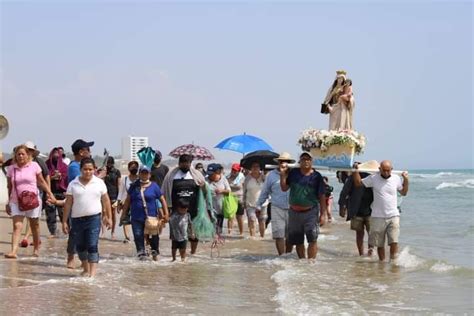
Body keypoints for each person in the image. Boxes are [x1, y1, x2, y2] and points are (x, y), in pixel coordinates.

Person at [62, 158, 112, 277]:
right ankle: (86, 268)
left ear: (94, 169)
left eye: (90, 169)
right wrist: (64, 221)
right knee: (80, 247)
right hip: (77, 219)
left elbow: (106, 200)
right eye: (85, 169)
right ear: (80, 170)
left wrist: (108, 217)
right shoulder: (73, 184)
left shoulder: (99, 183)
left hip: (94, 219)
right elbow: (68, 203)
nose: (88, 172)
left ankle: (92, 275)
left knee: (92, 245)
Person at [5, 144, 56, 259]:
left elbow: (42, 182)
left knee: (35, 225)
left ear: (28, 155)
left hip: (32, 200)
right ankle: (13, 251)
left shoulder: (34, 166)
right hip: (16, 200)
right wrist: (8, 202)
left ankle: (36, 248)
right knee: (17, 226)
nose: (21, 156)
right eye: (18, 154)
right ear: (15, 156)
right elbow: (9, 186)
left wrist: (50, 193)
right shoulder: (11, 169)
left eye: (23, 154)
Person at [353, 160, 409, 262]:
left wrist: (406, 180)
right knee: (379, 243)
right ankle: (382, 263)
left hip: (393, 215)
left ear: (391, 169)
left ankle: (393, 262)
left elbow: (404, 192)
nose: (386, 173)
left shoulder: (396, 178)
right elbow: (358, 184)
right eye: (384, 171)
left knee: (394, 241)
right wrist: (356, 171)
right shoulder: (374, 178)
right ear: (379, 169)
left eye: (388, 171)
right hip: (377, 216)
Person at [280, 152, 327, 260]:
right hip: (294, 212)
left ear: (311, 161)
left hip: (310, 212)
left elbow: (322, 196)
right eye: (303, 159)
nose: (306, 161)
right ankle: (302, 262)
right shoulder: (293, 173)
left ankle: (310, 263)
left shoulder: (316, 176)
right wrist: (282, 174)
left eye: (308, 159)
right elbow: (284, 188)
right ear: (299, 161)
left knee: (312, 239)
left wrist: (323, 214)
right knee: (298, 240)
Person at [162, 154, 210, 255]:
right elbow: (164, 191)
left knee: (193, 233)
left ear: (190, 164)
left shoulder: (196, 174)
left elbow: (205, 191)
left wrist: (203, 186)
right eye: (183, 164)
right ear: (179, 163)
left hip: (193, 208)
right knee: (177, 232)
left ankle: (193, 252)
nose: (185, 166)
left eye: (187, 164)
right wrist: (166, 209)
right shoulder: (171, 175)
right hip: (176, 209)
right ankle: (179, 255)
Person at [122, 165, 169, 261]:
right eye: (142, 173)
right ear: (139, 174)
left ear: (149, 174)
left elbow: (162, 200)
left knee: (153, 239)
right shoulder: (134, 186)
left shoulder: (154, 186)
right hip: (136, 218)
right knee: (138, 237)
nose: (144, 175)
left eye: (146, 173)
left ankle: (155, 257)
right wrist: (123, 214)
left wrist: (166, 213)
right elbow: (127, 200)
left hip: (151, 218)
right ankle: (142, 261)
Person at [256, 152, 294, 255]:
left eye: (286, 161)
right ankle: (282, 256)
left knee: (290, 236)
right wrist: (258, 205)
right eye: (281, 161)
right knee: (279, 234)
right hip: (277, 207)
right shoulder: (271, 175)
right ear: (278, 162)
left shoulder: (294, 173)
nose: (283, 163)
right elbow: (265, 191)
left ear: (290, 163)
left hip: (292, 208)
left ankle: (288, 254)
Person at [66, 138, 95, 268]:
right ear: (81, 152)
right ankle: (71, 257)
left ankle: (85, 260)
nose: (90, 151)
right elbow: (79, 182)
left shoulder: (81, 166)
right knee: (75, 233)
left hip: (87, 205)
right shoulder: (74, 167)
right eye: (88, 149)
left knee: (86, 234)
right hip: (76, 204)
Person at [339, 171, 374, 256]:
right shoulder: (351, 179)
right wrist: (342, 207)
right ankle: (361, 254)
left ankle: (370, 252)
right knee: (360, 234)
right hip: (356, 211)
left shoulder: (370, 177)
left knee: (371, 234)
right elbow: (344, 193)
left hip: (371, 211)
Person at [45, 147, 69, 237]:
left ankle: (66, 231)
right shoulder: (46, 165)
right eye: (54, 153)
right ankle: (53, 232)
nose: (56, 155)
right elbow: (43, 178)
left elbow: (67, 178)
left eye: (57, 154)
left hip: (61, 192)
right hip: (50, 192)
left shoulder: (64, 166)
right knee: (50, 214)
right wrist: (52, 177)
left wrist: (60, 176)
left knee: (63, 213)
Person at [117, 160, 139, 243]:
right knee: (125, 220)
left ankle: (137, 236)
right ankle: (127, 237)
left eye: (135, 167)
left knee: (136, 220)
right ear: (128, 168)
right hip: (126, 202)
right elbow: (121, 192)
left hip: (137, 202)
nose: (133, 168)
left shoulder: (140, 178)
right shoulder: (125, 179)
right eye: (132, 167)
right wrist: (118, 203)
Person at [243, 162, 266, 237]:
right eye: (253, 167)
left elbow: (268, 189)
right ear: (251, 168)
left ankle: (262, 237)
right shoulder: (247, 178)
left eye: (257, 166)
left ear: (260, 168)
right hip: (250, 203)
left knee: (262, 221)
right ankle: (252, 238)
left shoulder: (263, 177)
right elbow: (244, 191)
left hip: (263, 203)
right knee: (252, 220)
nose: (255, 168)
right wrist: (243, 202)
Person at [206, 163, 230, 235]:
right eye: (209, 174)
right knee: (212, 224)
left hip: (220, 207)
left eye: (212, 174)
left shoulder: (223, 179)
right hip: (209, 207)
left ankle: (217, 241)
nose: (210, 175)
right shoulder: (205, 180)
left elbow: (229, 191)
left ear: (218, 173)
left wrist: (222, 191)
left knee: (219, 228)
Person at [103, 156, 121, 239]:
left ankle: (113, 232)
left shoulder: (117, 172)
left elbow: (119, 185)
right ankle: (103, 232)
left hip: (114, 195)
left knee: (113, 214)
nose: (109, 165)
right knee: (104, 213)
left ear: (113, 163)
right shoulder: (104, 171)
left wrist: (119, 197)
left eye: (110, 163)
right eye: (108, 163)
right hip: (104, 195)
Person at [226, 163, 245, 235]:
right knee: (230, 216)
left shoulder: (242, 177)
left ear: (239, 171)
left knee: (239, 217)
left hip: (240, 199)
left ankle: (241, 233)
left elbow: (241, 187)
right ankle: (229, 232)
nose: (233, 171)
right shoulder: (228, 177)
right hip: (230, 199)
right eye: (233, 170)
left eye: (235, 170)